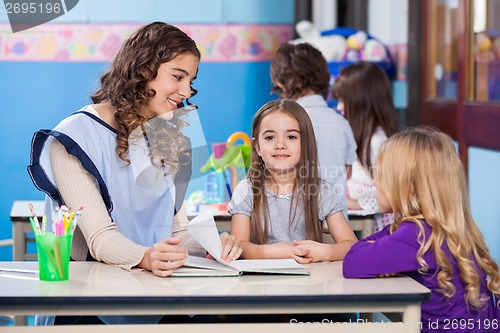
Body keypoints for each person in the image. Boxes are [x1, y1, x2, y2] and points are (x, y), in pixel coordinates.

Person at [28, 22, 241, 325]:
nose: (186, 91)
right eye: (178, 77)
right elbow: (100, 240)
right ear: (143, 70)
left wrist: (214, 245)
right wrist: (146, 257)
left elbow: (175, 230)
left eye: (190, 81)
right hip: (87, 303)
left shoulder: (164, 132)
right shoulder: (74, 138)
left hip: (149, 290)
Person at [343, 127, 500, 332]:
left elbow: (352, 262)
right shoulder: (441, 229)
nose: (375, 183)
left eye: (381, 176)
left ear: (407, 187)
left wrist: (383, 256)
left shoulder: (415, 235)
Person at [229, 99, 357, 263]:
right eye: (269, 137)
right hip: (259, 284)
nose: (280, 144)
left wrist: (326, 251)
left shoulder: (321, 191)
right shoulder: (246, 191)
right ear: (257, 147)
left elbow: (350, 245)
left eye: (291, 136)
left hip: (311, 282)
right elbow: (238, 245)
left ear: (305, 143)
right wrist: (272, 252)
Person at [270, 42, 357, 219]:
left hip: (290, 231)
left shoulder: (278, 123)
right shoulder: (340, 123)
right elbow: (347, 172)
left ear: (281, 84)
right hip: (335, 228)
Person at [332, 60, 399, 232]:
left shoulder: (378, 143)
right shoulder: (361, 139)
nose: (339, 107)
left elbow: (390, 200)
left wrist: (343, 202)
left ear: (362, 102)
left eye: (344, 100)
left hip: (382, 231)